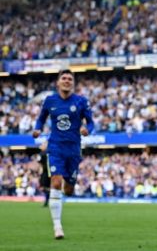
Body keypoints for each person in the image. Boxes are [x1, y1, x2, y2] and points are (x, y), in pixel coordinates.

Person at [32, 69, 94, 240]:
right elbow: (41, 118)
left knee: (68, 189)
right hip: (56, 147)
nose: (67, 81)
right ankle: (57, 226)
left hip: (73, 149)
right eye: (64, 78)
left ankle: (69, 184)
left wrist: (86, 129)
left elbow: (91, 122)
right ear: (58, 82)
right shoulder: (50, 100)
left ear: (72, 83)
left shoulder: (81, 101)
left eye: (70, 79)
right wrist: (37, 129)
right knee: (56, 181)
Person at [38, 141, 50, 207]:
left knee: (44, 187)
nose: (41, 146)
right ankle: (48, 200)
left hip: (45, 173)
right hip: (52, 172)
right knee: (49, 187)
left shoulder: (41, 154)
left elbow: (40, 165)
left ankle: (47, 200)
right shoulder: (52, 153)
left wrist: (40, 173)